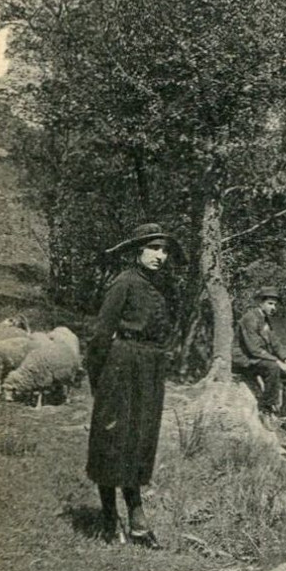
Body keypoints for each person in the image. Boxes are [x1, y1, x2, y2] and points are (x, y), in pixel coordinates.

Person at [85, 221, 180, 547]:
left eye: (165, 250)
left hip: (149, 370)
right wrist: (98, 378)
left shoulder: (160, 287)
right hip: (120, 368)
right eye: (154, 248)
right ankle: (111, 519)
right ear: (138, 251)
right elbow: (100, 336)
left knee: (140, 442)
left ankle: (137, 522)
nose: (160, 256)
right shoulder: (123, 283)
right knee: (112, 439)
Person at [232, 287, 286, 425]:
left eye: (275, 304)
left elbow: (275, 343)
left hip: (258, 358)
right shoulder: (250, 318)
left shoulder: (264, 319)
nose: (273, 307)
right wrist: (278, 362)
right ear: (260, 303)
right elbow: (254, 349)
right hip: (244, 360)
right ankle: (266, 409)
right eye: (270, 303)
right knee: (273, 368)